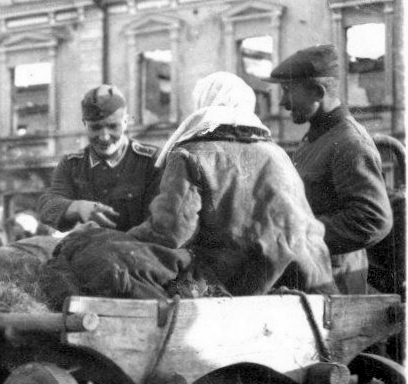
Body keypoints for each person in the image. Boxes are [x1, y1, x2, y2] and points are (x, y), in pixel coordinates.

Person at [126, 71, 335, 295]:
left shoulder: (190, 153)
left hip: (230, 287)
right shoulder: (276, 153)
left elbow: (171, 231)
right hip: (303, 281)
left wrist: (122, 240)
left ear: (202, 104)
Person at [264, 44, 393, 294]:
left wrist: (301, 234)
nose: (283, 102)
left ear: (317, 91)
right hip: (312, 279)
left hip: (336, 285)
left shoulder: (349, 142)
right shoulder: (316, 138)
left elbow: (373, 220)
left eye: (288, 90)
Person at [37, 84, 161, 232]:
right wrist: (77, 207)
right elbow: (48, 205)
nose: (104, 137)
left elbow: (159, 222)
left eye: (113, 126)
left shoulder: (152, 161)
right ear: (85, 125)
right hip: (89, 249)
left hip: (139, 249)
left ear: (126, 122)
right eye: (95, 128)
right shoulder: (72, 165)